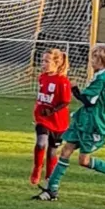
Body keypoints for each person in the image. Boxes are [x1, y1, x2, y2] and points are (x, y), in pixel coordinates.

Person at [33, 45, 105, 201]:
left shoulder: (101, 79)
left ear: (99, 60)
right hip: (83, 120)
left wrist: (74, 89)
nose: (91, 61)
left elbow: (87, 100)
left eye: (93, 58)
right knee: (66, 151)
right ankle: (52, 189)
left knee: (84, 161)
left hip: (93, 124)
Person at [30, 49, 71, 185]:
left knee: (52, 151)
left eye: (47, 61)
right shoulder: (42, 77)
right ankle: (37, 169)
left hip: (58, 122)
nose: (43, 64)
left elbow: (65, 101)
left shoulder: (62, 81)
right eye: (42, 61)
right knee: (41, 143)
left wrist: (52, 110)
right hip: (42, 119)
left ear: (57, 63)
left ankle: (49, 176)